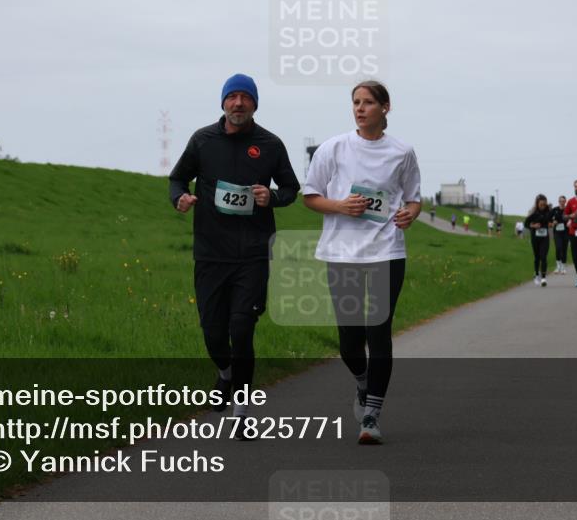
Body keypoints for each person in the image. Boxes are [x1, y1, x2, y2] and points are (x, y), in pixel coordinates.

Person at [168, 73, 300, 433]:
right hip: (211, 252)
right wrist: (180, 197)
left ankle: (242, 413)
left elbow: (291, 187)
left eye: (245, 97)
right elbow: (177, 178)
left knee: (241, 328)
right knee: (213, 332)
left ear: (255, 104)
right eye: (232, 97)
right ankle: (224, 373)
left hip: (253, 253)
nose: (238, 103)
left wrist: (270, 197)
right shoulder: (202, 140)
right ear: (223, 103)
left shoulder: (270, 145)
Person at [303, 80, 421, 446]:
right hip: (342, 253)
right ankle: (362, 383)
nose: (360, 108)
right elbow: (309, 196)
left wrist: (409, 215)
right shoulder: (333, 148)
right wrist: (340, 205)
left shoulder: (402, 152)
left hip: (386, 251)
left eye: (368, 102)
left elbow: (414, 199)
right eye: (356, 102)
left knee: (378, 330)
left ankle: (372, 414)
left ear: (385, 107)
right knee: (350, 340)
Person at [524, 194, 552, 287]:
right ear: (537, 204)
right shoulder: (533, 213)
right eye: (541, 204)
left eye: (544, 204)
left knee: (543, 257)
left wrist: (552, 223)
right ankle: (536, 275)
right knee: (537, 257)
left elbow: (551, 221)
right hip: (535, 238)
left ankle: (543, 278)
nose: (543, 206)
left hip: (545, 238)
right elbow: (526, 224)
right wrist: (533, 226)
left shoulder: (548, 211)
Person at [549, 195, 569, 275]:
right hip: (557, 232)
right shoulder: (554, 210)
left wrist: (569, 222)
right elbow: (548, 220)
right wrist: (552, 223)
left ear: (565, 202)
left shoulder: (568, 210)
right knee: (558, 247)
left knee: (564, 249)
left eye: (563, 201)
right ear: (558, 201)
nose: (562, 202)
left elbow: (572, 218)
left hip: (566, 232)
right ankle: (558, 267)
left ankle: (563, 267)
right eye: (560, 201)